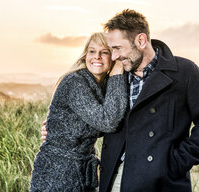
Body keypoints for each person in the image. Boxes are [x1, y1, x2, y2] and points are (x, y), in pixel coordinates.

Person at [98, 9, 199, 191]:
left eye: (118, 48)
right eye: (112, 49)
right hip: (115, 177)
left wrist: (176, 163)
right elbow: (101, 118)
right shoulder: (115, 75)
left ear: (141, 41)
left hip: (161, 181)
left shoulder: (184, 72)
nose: (114, 56)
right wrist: (59, 129)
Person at [30, 32, 128, 192]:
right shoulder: (75, 82)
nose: (97, 56)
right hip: (57, 173)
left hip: (81, 171)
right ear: (85, 56)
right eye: (92, 51)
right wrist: (118, 72)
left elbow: (100, 124)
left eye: (104, 52)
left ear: (112, 56)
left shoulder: (101, 85)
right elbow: (108, 122)